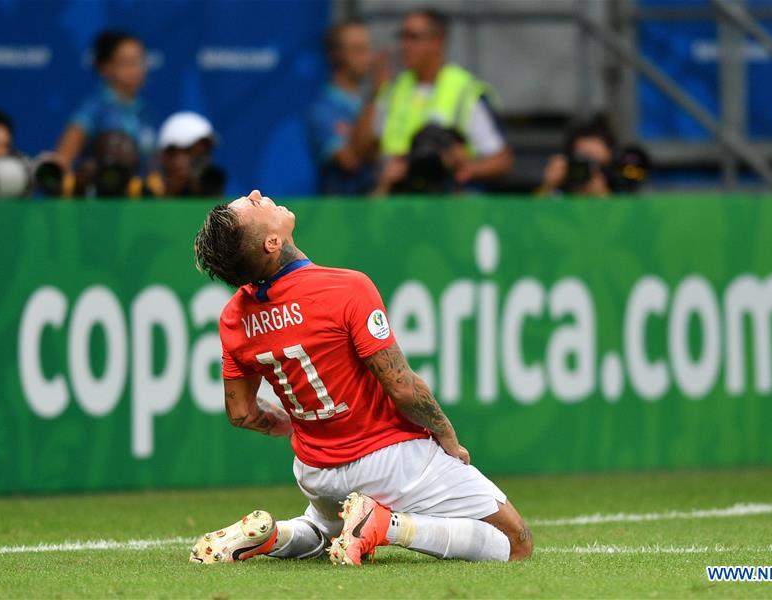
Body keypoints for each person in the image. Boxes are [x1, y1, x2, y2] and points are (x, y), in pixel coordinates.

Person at [190, 190, 532, 566]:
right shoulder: (345, 288)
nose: (256, 194)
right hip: (388, 460)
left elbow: (240, 413)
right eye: (253, 204)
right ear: (273, 242)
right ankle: (387, 525)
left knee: (324, 530)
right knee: (515, 542)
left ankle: (274, 537)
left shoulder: (233, 317)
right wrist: (447, 435)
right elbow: (403, 387)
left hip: (316, 471)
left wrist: (290, 422)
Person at [353, 10, 512, 195]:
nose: (404, 45)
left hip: (445, 203)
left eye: (413, 37)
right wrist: (377, 91)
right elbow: (358, 153)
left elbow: (502, 161)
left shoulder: (464, 91)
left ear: (438, 42)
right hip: (396, 201)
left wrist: (463, 168)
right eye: (401, 37)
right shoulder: (393, 90)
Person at [54, 30, 156, 171]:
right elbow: (60, 164)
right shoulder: (92, 111)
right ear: (106, 67)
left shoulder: (144, 112)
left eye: (139, 61)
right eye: (127, 63)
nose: (136, 70)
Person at [307, 22, 386, 195]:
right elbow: (350, 161)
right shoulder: (322, 110)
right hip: (342, 211)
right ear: (336, 56)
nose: (368, 58)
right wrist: (377, 93)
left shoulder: (372, 104)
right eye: (358, 50)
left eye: (368, 49)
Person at [538, 116, 616, 198]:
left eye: (598, 165)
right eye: (583, 161)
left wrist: (604, 198)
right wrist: (548, 186)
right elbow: (536, 210)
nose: (589, 170)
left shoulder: (623, 191)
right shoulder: (557, 193)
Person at [152, 111, 226, 197]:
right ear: (168, 155)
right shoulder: (144, 190)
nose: (204, 161)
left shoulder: (210, 185)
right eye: (195, 154)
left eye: (205, 153)